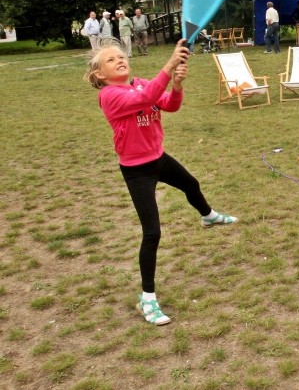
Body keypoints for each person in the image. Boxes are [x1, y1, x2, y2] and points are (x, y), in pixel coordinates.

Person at [84, 38, 238, 326]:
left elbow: (168, 104)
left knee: (190, 184)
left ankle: (208, 216)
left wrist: (176, 85)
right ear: (100, 75)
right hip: (136, 170)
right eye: (111, 60)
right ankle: (148, 298)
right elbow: (143, 101)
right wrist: (169, 65)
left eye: (121, 55)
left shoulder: (140, 83)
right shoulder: (109, 96)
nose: (120, 60)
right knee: (152, 233)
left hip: (157, 157)